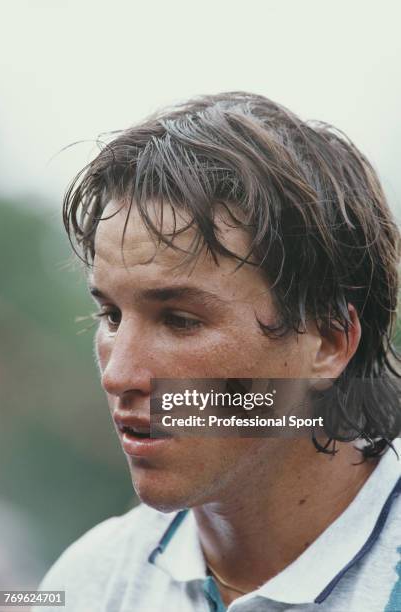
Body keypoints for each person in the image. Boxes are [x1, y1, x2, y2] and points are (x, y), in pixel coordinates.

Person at [35, 92, 401, 611]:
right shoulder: (87, 584)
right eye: (112, 316)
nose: (119, 375)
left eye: (181, 320)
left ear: (328, 342)